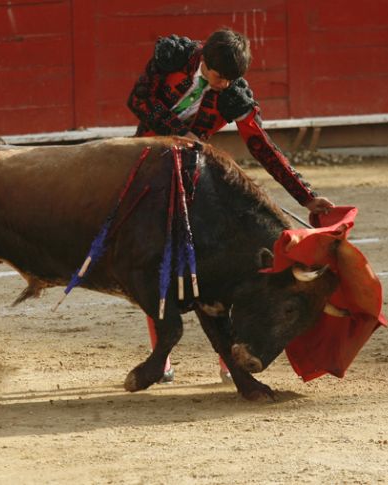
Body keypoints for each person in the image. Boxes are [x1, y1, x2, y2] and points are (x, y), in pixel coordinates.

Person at [126, 28, 335, 384]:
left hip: (195, 173)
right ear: (203, 62)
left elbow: (262, 147)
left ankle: (228, 355)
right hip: (145, 161)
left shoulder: (233, 92)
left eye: (231, 79)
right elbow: (139, 101)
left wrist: (305, 194)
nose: (223, 86)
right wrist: (180, 133)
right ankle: (162, 358)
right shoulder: (173, 57)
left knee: (219, 262)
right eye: (219, 77)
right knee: (159, 257)